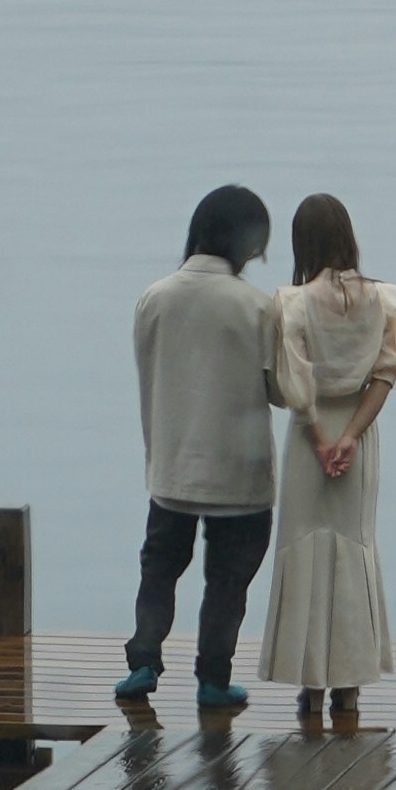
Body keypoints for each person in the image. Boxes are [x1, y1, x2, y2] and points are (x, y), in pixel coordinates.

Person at [259, 191, 396, 732]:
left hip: (311, 441)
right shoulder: (386, 299)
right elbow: (386, 375)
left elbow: (295, 385)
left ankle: (311, 686)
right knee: (355, 547)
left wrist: (322, 438)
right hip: (361, 436)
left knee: (307, 548)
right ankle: (349, 690)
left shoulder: (292, 301)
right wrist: (350, 437)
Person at [118, 184, 278, 718]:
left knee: (160, 565)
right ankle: (213, 677)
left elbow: (149, 373)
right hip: (240, 469)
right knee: (228, 578)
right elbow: (278, 390)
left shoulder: (155, 297)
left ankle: (144, 657)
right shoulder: (257, 306)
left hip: (173, 462)